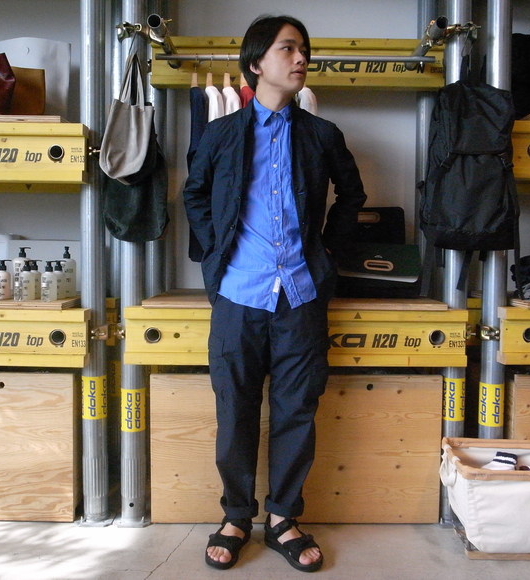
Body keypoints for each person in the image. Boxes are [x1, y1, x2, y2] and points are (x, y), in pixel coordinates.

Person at [183, 14, 366, 573]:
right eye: (288, 49)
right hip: (239, 294)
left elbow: (352, 196)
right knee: (235, 410)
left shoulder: (322, 134)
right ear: (256, 63)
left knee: (296, 412)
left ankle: (283, 517)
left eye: (304, 49)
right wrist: (216, 258)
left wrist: (328, 251)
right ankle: (236, 516)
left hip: (302, 295)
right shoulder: (220, 133)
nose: (301, 58)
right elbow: (194, 195)